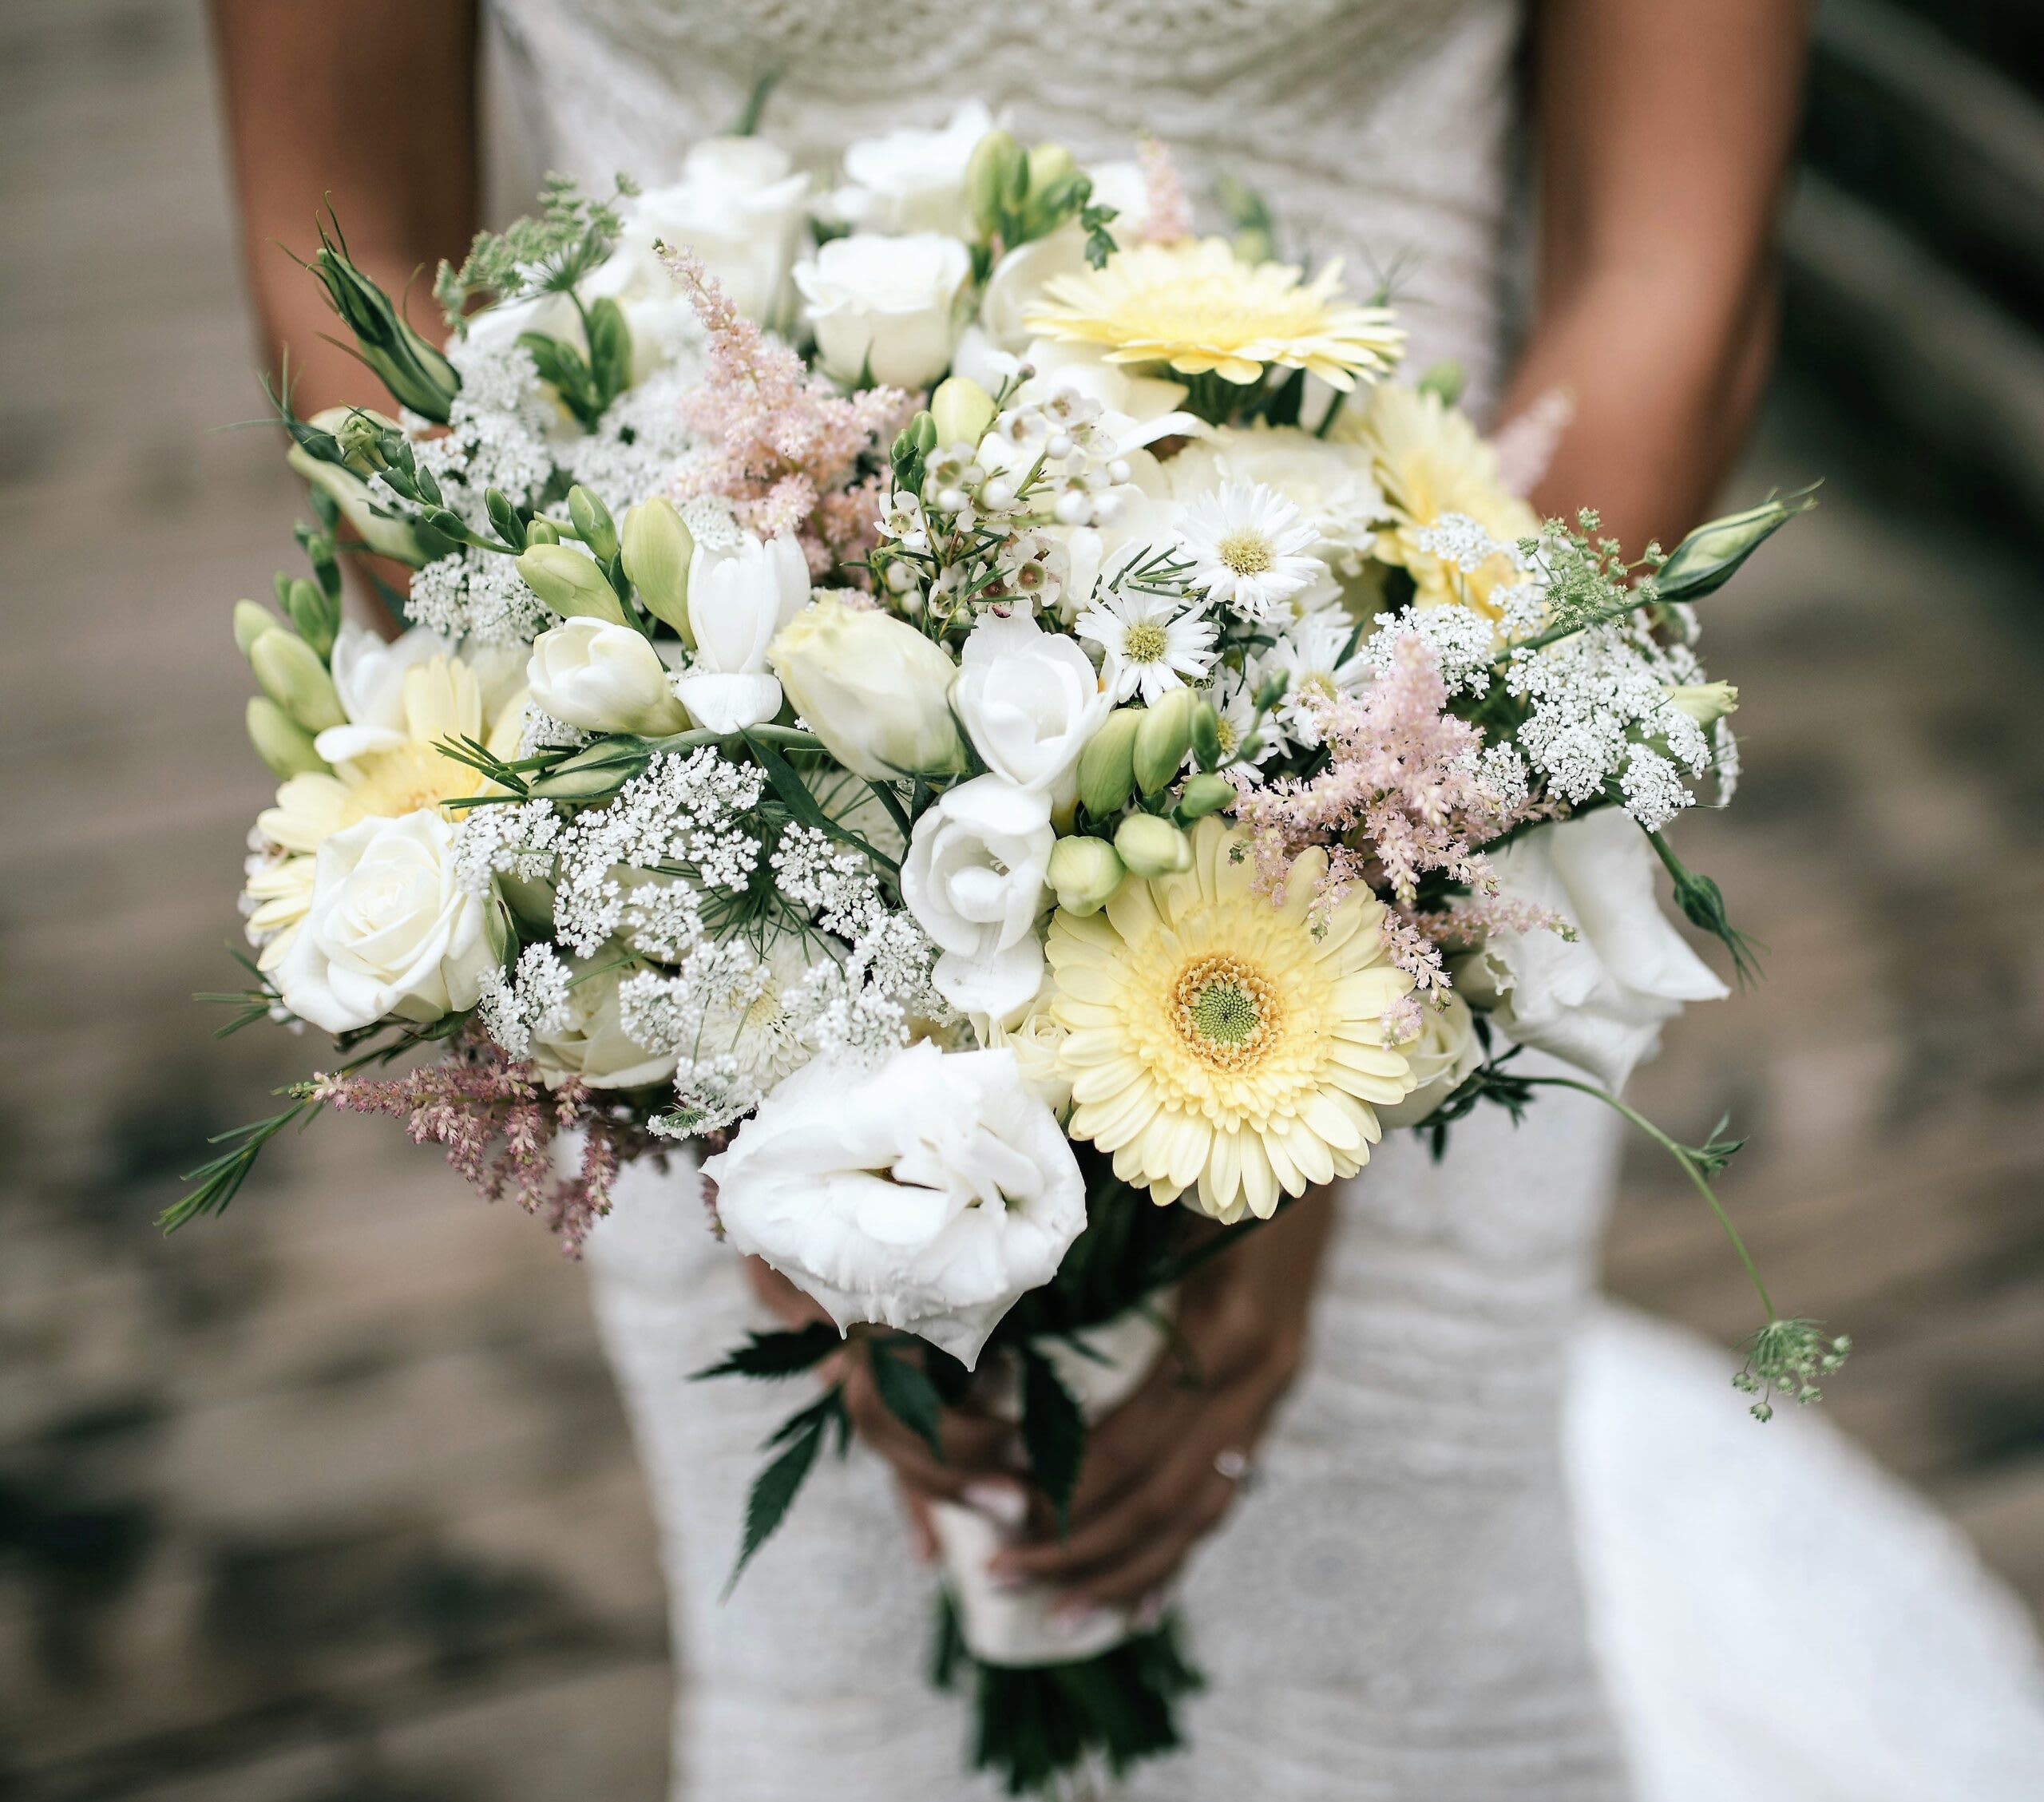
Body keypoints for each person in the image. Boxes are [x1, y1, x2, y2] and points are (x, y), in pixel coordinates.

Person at [212, 3, 2044, 1796]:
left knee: (1395, 1666)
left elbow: (1670, 274)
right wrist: (740, 1040)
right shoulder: (711, 962)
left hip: (1430, 796)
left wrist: (1369, 960)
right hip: (718, 868)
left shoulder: (1415, 872)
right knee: (848, 1678)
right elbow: (347, 246)